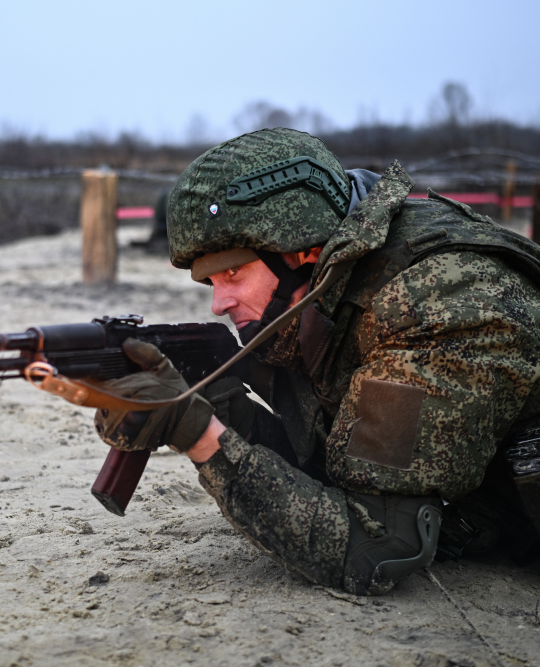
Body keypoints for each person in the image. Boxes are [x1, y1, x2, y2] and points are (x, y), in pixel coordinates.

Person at [93, 128, 540, 595]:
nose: (218, 304)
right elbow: (325, 468)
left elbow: (377, 548)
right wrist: (211, 404)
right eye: (209, 282)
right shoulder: (321, 297)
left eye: (232, 273)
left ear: (300, 249)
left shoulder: (437, 300)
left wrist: (198, 434)